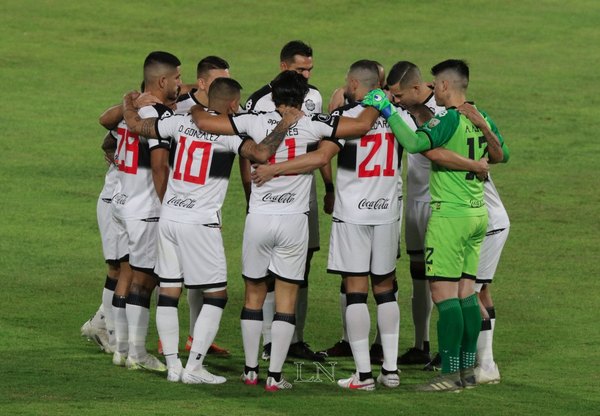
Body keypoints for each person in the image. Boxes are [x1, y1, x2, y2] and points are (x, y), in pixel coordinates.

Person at [253, 61, 489, 390]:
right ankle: (390, 371)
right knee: (386, 288)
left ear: (352, 83)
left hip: (353, 215)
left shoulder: (345, 119)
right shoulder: (401, 116)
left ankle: (363, 375)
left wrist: (276, 168)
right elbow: (426, 143)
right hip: (387, 212)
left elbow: (321, 157)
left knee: (355, 290)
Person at [191, 70, 379, 391]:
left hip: (259, 218)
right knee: (286, 298)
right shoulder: (313, 123)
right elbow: (362, 125)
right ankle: (275, 377)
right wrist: (378, 99)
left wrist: (194, 104)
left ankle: (250, 371)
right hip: (294, 220)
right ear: (303, 94)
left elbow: (206, 123)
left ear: (273, 95)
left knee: (253, 294)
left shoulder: (254, 121)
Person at [121, 77, 302, 383]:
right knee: (216, 295)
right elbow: (260, 154)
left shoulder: (179, 122)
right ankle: (194, 367)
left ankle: (173, 366)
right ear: (233, 105)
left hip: (170, 216)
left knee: (169, 290)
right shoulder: (230, 135)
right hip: (200, 222)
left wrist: (129, 101)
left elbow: (138, 126)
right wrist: (284, 124)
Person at [363, 59, 509, 392]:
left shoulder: (447, 117)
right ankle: (468, 371)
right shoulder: (479, 115)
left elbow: (416, 145)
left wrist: (385, 108)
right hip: (476, 214)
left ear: (443, 86)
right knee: (467, 295)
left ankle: (449, 374)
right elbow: (502, 156)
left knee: (443, 296)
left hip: (450, 217)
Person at [243, 40, 332, 362]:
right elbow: (248, 154)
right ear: (283, 67)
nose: (307, 75)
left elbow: (319, 146)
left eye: (310, 68)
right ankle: (269, 342)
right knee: (266, 272)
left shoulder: (315, 96)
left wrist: (329, 186)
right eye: (300, 69)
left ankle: (295, 339)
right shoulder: (259, 102)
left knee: (302, 266)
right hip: (267, 197)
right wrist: (249, 196)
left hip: (302, 195)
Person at [109, 51, 182, 372]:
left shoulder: (132, 110)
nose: (181, 83)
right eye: (178, 77)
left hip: (122, 201)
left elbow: (107, 142)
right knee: (144, 279)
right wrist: (168, 206)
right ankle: (137, 352)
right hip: (146, 207)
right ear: (163, 81)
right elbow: (158, 165)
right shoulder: (154, 116)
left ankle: (121, 348)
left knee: (126, 273)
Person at [169, 55, 232, 357]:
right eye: (220, 80)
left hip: (200, 204)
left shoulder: (224, 112)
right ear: (203, 83)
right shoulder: (179, 108)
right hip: (178, 202)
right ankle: (168, 339)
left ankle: (195, 336)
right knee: (171, 275)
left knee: (196, 276)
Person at [386, 61, 445, 367]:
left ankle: (448, 349)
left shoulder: (443, 106)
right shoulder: (402, 108)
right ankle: (421, 343)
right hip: (415, 205)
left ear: (415, 88)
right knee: (418, 276)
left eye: (398, 96)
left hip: (440, 205)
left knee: (444, 281)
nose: (394, 101)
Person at [81, 132, 121, 354]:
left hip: (139, 203)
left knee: (140, 271)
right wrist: (117, 158)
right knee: (119, 269)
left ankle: (101, 322)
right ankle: (107, 331)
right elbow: (108, 141)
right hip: (115, 200)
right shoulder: (139, 110)